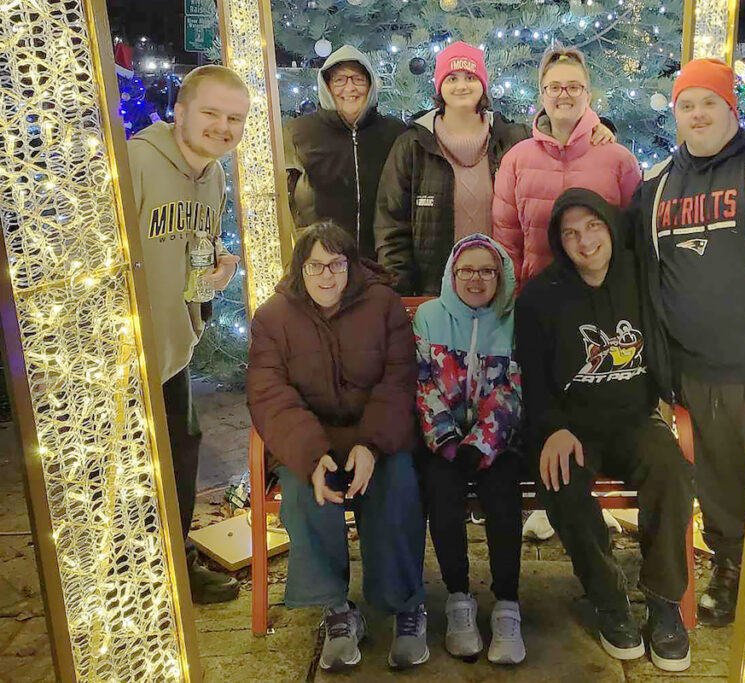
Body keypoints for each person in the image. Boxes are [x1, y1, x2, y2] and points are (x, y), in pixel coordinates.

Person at [626, 58, 745, 627]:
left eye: (708, 103)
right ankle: (732, 564)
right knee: (717, 476)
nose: (697, 115)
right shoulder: (658, 186)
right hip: (692, 363)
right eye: (686, 105)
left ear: (730, 108)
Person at [514, 188, 694, 672]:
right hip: (571, 427)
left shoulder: (643, 276)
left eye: (592, 226)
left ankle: (663, 601)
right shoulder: (540, 296)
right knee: (562, 482)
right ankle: (609, 597)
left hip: (634, 419)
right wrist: (551, 428)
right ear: (559, 242)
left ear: (610, 227)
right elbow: (531, 378)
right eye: (570, 233)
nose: (584, 241)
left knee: (672, 472)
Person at [246, 222, 429, 670]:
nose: (326, 276)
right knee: (306, 495)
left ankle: (405, 602)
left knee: (397, 483)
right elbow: (269, 393)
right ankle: (336, 610)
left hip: (377, 435)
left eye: (337, 264)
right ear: (299, 269)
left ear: (352, 265)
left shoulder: (382, 305)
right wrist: (311, 456)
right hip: (311, 438)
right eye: (315, 266)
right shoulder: (273, 318)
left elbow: (399, 380)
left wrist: (371, 445)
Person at [127, 64, 248, 604]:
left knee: (180, 452)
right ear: (180, 111)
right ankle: (136, 583)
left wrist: (212, 281)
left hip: (174, 346)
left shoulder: (215, 174)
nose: (223, 127)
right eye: (211, 114)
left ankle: (174, 568)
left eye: (234, 119)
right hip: (123, 348)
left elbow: (195, 258)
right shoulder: (134, 161)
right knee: (129, 472)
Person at [375, 42, 614, 297]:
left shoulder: (514, 139)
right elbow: (391, 226)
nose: (461, 85)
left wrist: (594, 128)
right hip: (433, 295)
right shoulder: (412, 145)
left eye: (470, 77)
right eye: (451, 78)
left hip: (501, 293)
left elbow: (561, 141)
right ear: (439, 86)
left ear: (483, 84)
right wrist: (402, 292)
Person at [413, 233, 526, 664]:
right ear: (452, 274)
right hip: (442, 442)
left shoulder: (514, 320)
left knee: (502, 494)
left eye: (487, 271)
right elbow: (423, 385)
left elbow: (513, 388)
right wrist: (446, 442)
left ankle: (507, 605)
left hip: (498, 442)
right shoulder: (428, 317)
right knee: (441, 492)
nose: (476, 280)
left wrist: (481, 445)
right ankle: (459, 599)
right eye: (467, 270)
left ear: (501, 277)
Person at [493, 47, 641, 288]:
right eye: (554, 87)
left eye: (574, 87)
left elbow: (634, 235)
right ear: (542, 97)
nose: (564, 95)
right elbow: (507, 241)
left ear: (588, 96)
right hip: (538, 300)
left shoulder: (620, 160)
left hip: (602, 298)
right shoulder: (516, 161)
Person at [284, 45, 406, 257]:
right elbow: (284, 202)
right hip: (322, 265)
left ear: (370, 85)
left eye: (358, 79)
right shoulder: (298, 133)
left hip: (383, 264)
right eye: (340, 80)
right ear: (327, 85)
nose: (349, 88)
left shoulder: (395, 133)